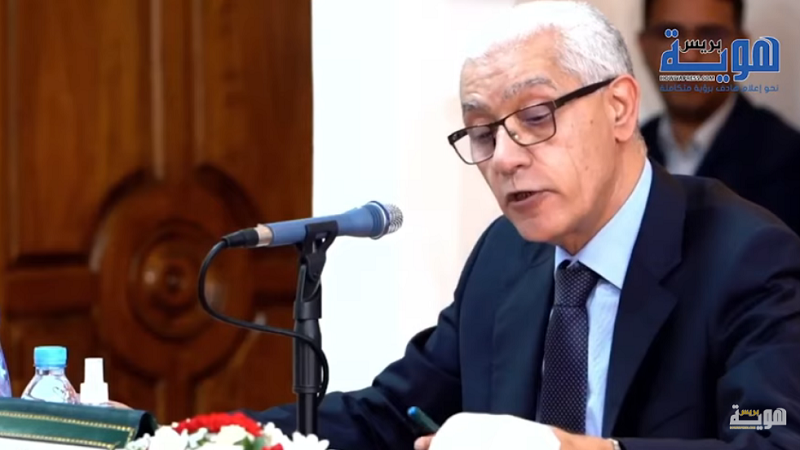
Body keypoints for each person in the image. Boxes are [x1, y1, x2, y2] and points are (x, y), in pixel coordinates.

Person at [117, 2, 800, 449]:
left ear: (620, 108)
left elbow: (771, 441)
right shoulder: (506, 255)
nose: (503, 157)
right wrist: (189, 437)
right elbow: (385, 416)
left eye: (535, 116)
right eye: (481, 132)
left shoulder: (747, 255)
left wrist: (562, 448)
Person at [637, 0, 800, 237]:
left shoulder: (788, 163)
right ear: (643, 45)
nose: (689, 55)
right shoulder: (620, 154)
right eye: (670, 34)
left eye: (710, 36)